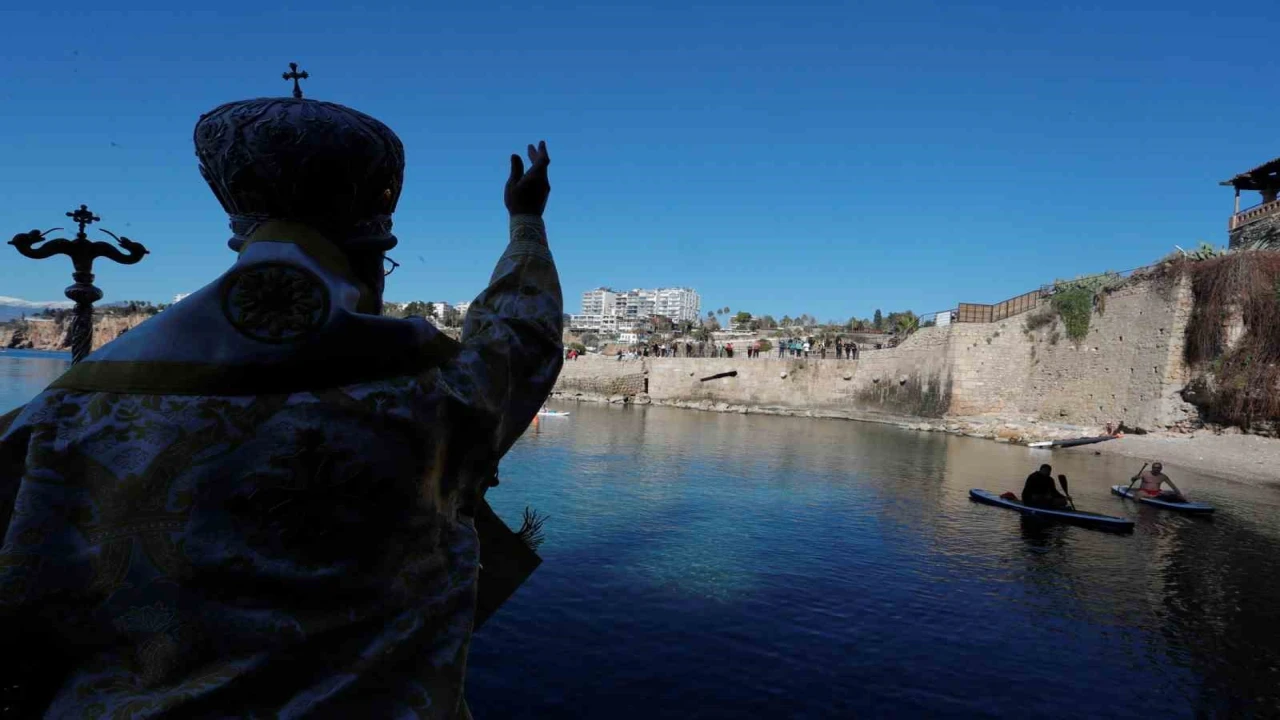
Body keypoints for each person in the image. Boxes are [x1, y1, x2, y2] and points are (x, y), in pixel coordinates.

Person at [0, 87, 561, 717]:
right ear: (368, 255)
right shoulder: (431, 392)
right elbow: (520, 342)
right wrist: (526, 223)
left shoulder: (66, 413)